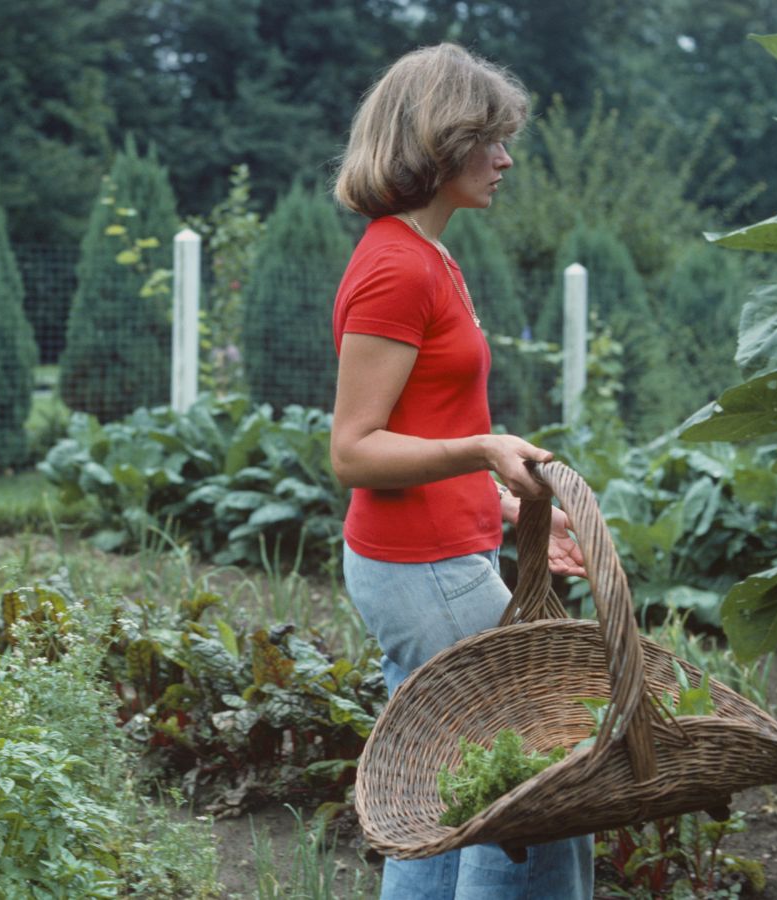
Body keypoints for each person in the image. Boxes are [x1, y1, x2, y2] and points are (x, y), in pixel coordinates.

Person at [329, 43, 593, 899]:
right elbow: (355, 449)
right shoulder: (396, 268)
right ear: (437, 144)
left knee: (441, 797)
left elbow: (423, 427)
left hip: (441, 556)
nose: (506, 158)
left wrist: (511, 511)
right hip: (421, 570)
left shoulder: (429, 257)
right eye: (489, 139)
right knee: (530, 796)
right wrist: (485, 452)